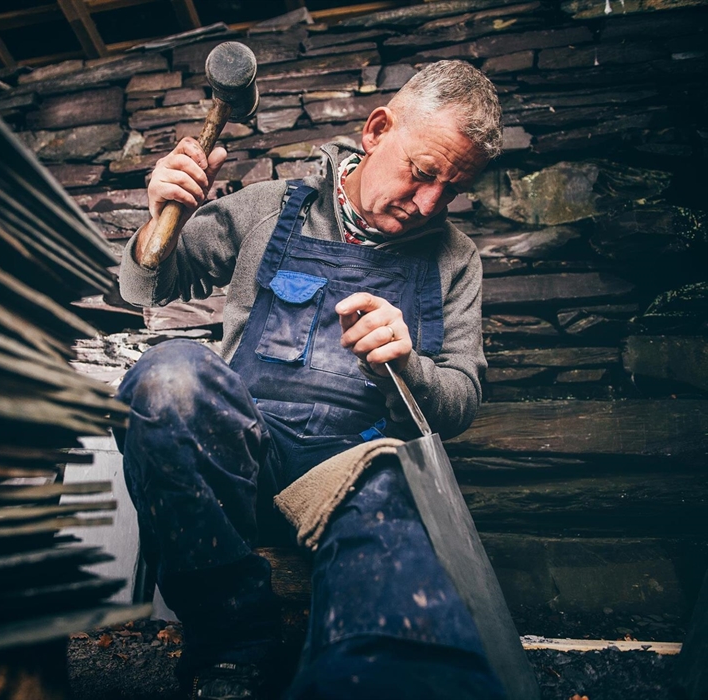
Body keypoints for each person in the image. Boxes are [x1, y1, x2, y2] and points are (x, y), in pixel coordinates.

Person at [114, 60, 504, 699]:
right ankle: (232, 648)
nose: (430, 202)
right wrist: (159, 216)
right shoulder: (271, 208)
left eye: (451, 190)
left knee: (393, 483)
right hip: (242, 455)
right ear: (377, 130)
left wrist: (410, 367)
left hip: (350, 474)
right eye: (424, 173)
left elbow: (459, 403)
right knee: (168, 376)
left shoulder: (455, 259)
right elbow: (149, 285)